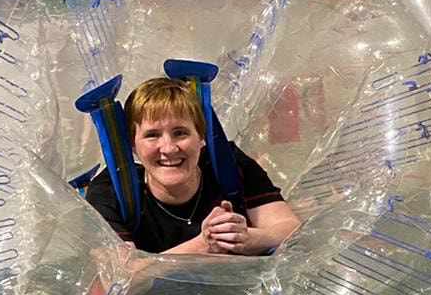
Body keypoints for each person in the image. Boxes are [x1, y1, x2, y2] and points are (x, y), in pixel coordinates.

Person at [84, 75, 300, 256]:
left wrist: (246, 237)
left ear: (201, 136)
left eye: (180, 133)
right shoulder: (109, 190)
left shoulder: (227, 164)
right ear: (132, 145)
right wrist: (204, 243)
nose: (168, 148)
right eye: (152, 135)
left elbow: (289, 228)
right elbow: (121, 275)